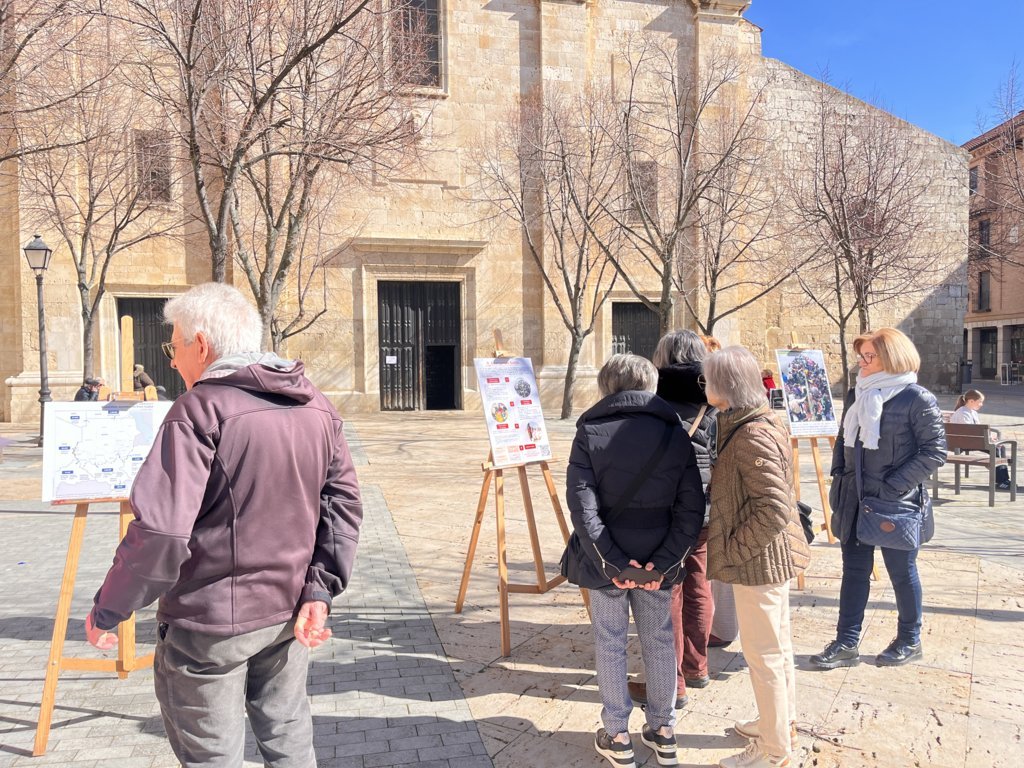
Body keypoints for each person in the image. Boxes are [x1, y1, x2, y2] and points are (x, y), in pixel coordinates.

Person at [84, 282, 363, 767]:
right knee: (289, 738)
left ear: (202, 345)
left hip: (210, 626)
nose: (172, 360)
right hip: (287, 613)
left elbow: (162, 532)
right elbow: (342, 504)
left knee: (213, 755)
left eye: (174, 345)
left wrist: (109, 608)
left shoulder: (200, 410)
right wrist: (319, 591)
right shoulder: (315, 404)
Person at [562, 353, 705, 768]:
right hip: (659, 556)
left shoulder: (589, 430)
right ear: (650, 385)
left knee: (610, 641)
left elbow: (582, 507)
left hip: (606, 558)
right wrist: (661, 563)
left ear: (606, 385)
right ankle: (663, 730)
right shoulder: (674, 432)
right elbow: (691, 506)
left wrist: (612, 564)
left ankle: (618, 734)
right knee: (659, 639)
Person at [812, 328, 945, 672]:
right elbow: (845, 437)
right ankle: (846, 642)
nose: (862, 362)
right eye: (861, 356)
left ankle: (909, 639)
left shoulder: (917, 398)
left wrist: (892, 487)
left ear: (891, 357)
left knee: (901, 573)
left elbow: (934, 451)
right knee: (854, 572)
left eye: (868, 356)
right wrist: (839, 475)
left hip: (893, 503)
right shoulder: (859, 393)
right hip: (854, 499)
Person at [703, 346, 810, 768]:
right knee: (776, 648)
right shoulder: (749, 422)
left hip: (759, 563)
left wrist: (735, 549)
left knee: (764, 655)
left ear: (724, 385)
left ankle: (775, 750)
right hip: (765, 558)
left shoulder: (751, 433)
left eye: (708, 378)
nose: (704, 385)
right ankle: (779, 723)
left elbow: (774, 507)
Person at [627, 331, 716, 712]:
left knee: (669, 596)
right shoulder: (715, 398)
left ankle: (672, 681)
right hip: (706, 511)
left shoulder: (652, 399)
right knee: (699, 584)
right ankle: (697, 667)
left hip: (665, 512)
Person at [950, 389, 1010, 488]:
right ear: (971, 401)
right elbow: (970, 432)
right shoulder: (963, 413)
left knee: (999, 447)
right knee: (996, 449)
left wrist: (989, 438)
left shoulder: (972, 412)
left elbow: (976, 431)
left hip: (970, 441)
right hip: (963, 443)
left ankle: (1002, 479)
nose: (981, 404)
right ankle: (1002, 480)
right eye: (980, 402)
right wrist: (988, 439)